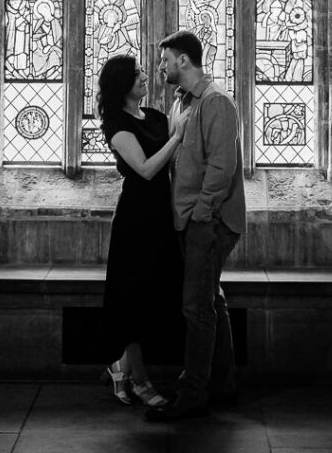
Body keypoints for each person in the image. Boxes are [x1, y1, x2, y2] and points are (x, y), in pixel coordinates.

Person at [147, 29, 246, 422]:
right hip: (190, 218)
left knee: (195, 308)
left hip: (209, 220)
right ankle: (221, 383)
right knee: (210, 301)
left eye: (164, 59)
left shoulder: (217, 103)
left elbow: (221, 169)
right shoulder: (181, 102)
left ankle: (192, 393)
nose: (160, 67)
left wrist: (201, 215)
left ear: (183, 60)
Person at [98, 53, 190, 408]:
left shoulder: (153, 116)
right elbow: (148, 169)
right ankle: (140, 381)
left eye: (143, 71)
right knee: (133, 300)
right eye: (136, 74)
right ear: (122, 83)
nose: (144, 76)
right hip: (136, 220)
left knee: (155, 297)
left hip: (161, 217)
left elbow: (173, 166)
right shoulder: (117, 125)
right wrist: (177, 136)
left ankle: (122, 365)